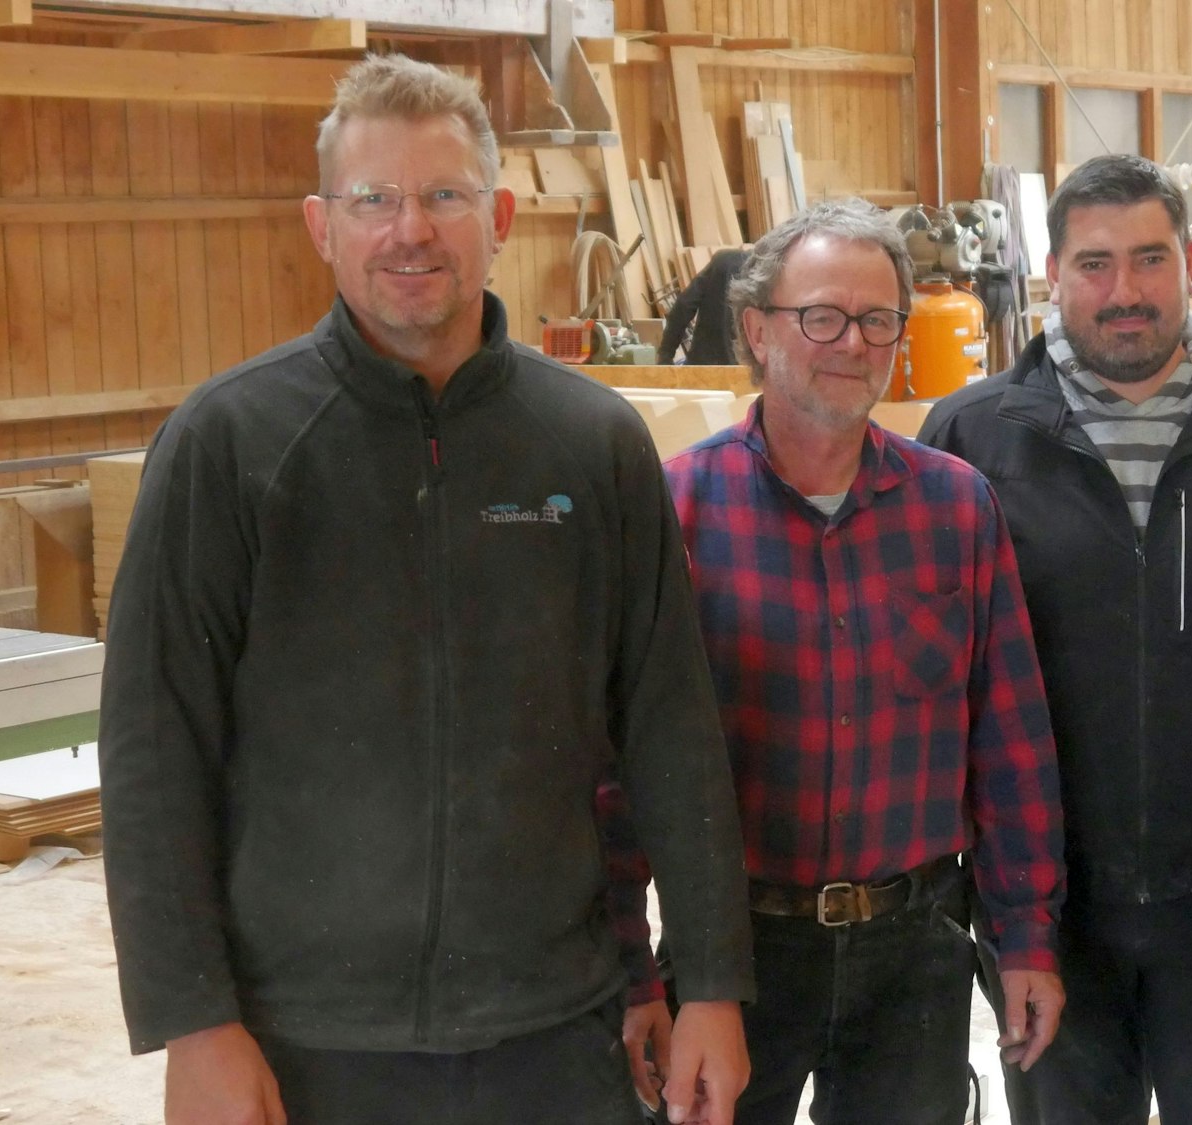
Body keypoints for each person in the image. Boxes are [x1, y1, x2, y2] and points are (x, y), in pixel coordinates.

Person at [99, 53, 752, 1125]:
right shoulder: (229, 446)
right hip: (305, 1037)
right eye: (375, 200)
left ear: (496, 216)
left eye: (444, 196)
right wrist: (195, 1024)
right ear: (322, 225)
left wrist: (712, 987)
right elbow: (152, 749)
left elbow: (671, 727)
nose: (411, 229)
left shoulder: (590, 444)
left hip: (553, 1028)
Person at [919, 154, 1192, 1125]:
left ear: (1189, 261)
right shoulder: (971, 440)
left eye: (1148, 260)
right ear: (1052, 273)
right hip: (1047, 913)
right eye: (1093, 264)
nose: (1124, 292)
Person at [655, 198, 1068, 1125]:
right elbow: (624, 763)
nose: (853, 341)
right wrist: (639, 974)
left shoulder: (955, 508)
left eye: (879, 319)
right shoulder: (677, 511)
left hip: (913, 949)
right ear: (758, 330)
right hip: (735, 955)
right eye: (822, 316)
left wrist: (1026, 936)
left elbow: (1011, 742)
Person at [657, 248, 750, 364]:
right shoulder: (767, 275)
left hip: (703, 365)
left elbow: (684, 306)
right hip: (743, 372)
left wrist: (666, 354)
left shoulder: (722, 262)